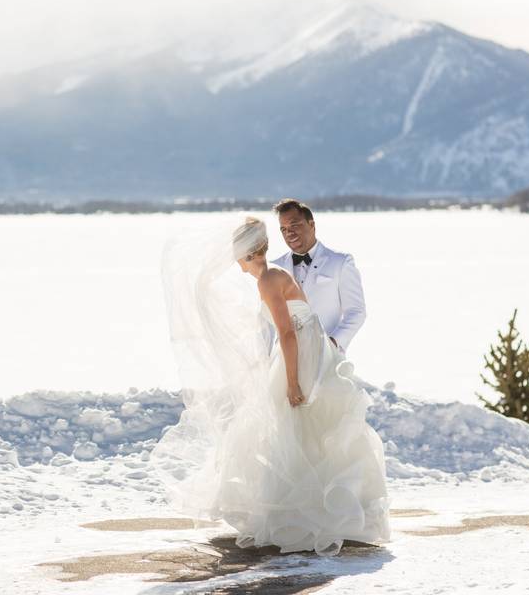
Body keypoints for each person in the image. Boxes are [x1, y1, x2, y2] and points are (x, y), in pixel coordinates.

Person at [153, 216, 389, 556]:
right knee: (299, 430)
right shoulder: (275, 275)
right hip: (308, 349)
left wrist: (293, 382)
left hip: (301, 354)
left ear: (245, 253)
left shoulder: (267, 279)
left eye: (235, 253)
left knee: (292, 424)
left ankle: (303, 515)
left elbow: (288, 333)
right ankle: (309, 510)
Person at [270, 199, 365, 354]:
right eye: (284, 229)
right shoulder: (275, 268)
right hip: (285, 360)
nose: (289, 233)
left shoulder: (340, 262)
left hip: (327, 361)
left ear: (311, 224)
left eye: (294, 225)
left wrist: (332, 344)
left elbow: (356, 311)